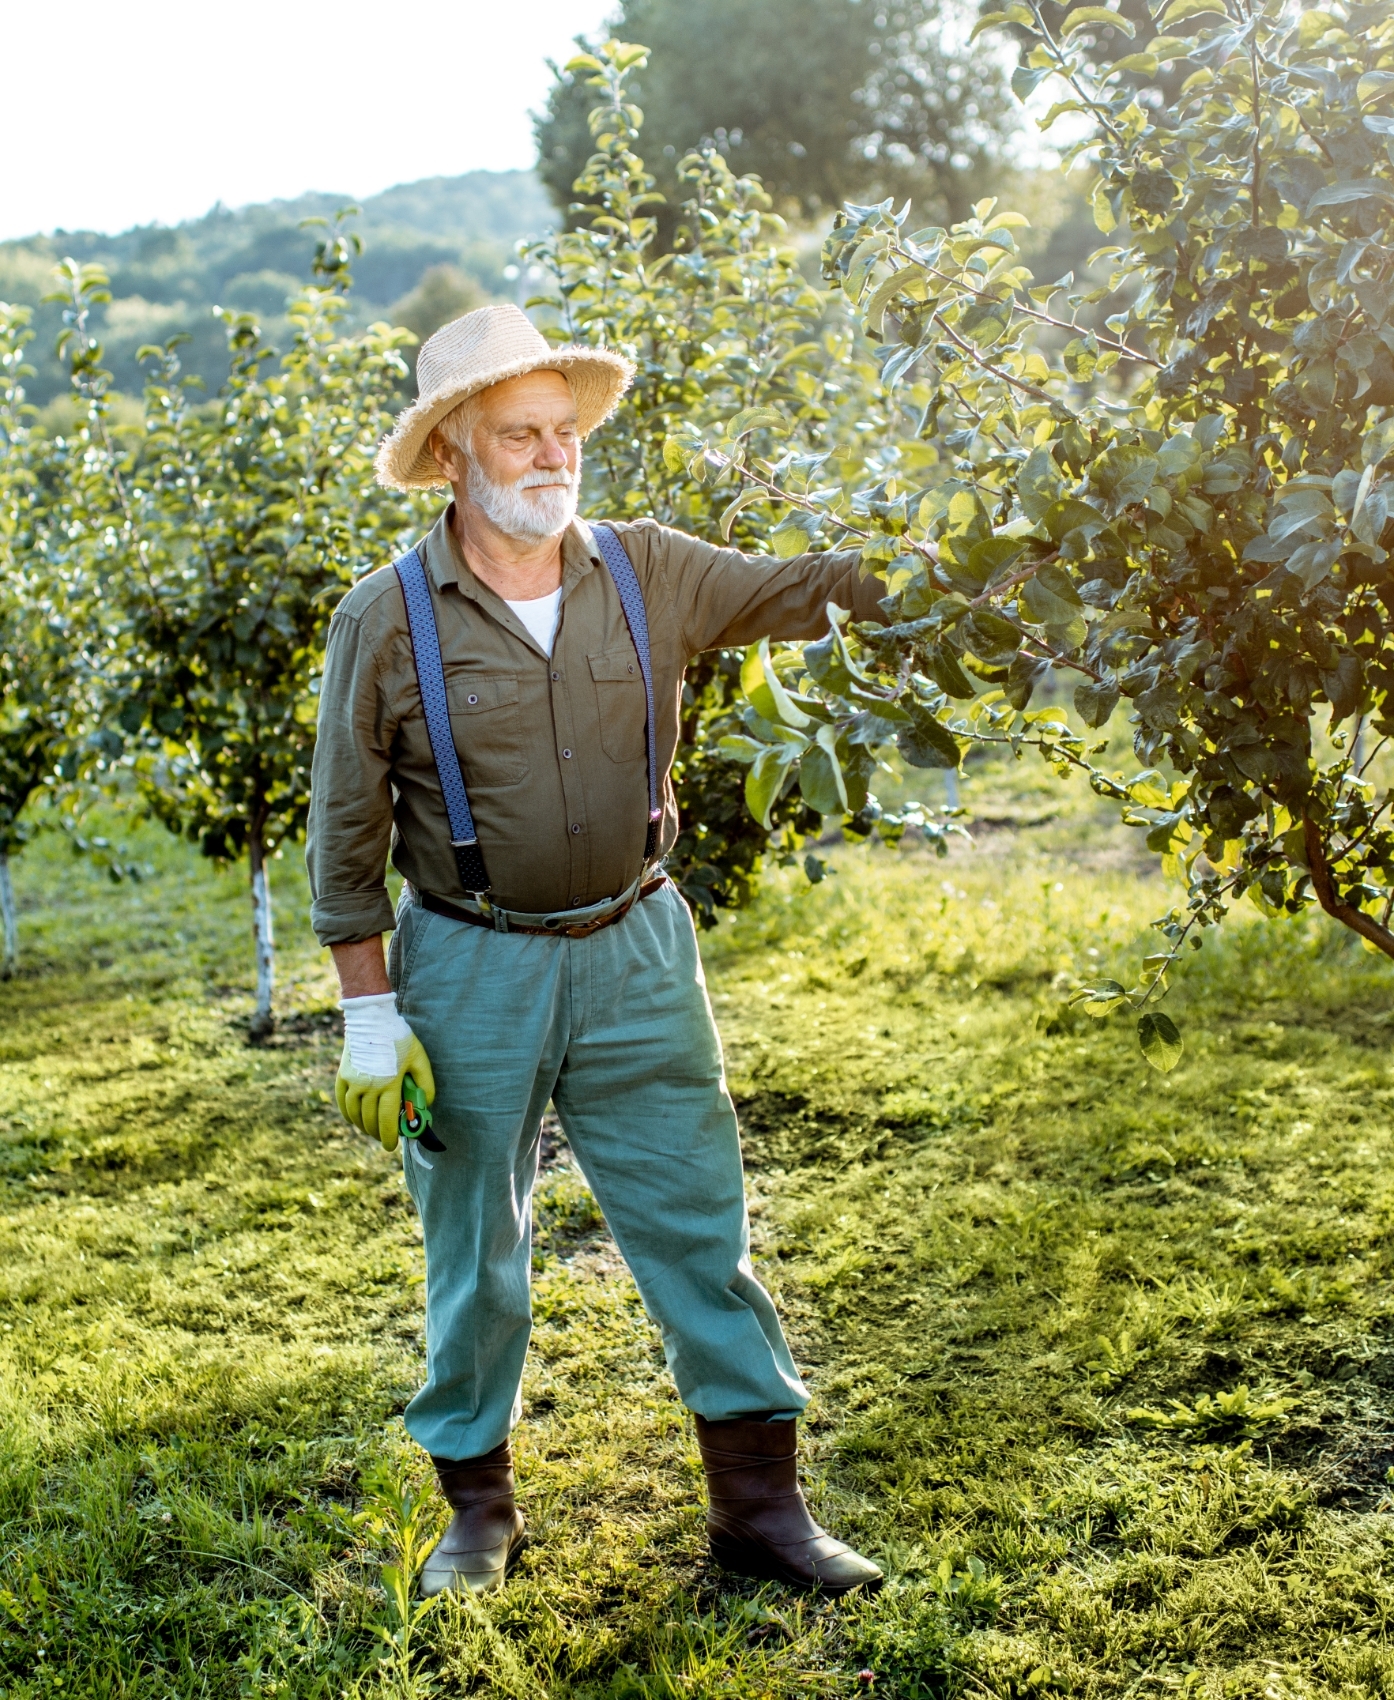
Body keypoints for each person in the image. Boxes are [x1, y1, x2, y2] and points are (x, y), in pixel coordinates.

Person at [307, 304, 886, 1598]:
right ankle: (478, 1511)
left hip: (637, 946)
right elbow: (345, 838)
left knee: (698, 1220)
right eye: (519, 435)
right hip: (468, 961)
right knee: (473, 1244)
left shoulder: (645, 568)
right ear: (453, 453)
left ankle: (760, 1513)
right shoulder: (387, 618)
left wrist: (912, 567)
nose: (550, 455)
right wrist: (367, 1018)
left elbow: (797, 592)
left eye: (564, 431)